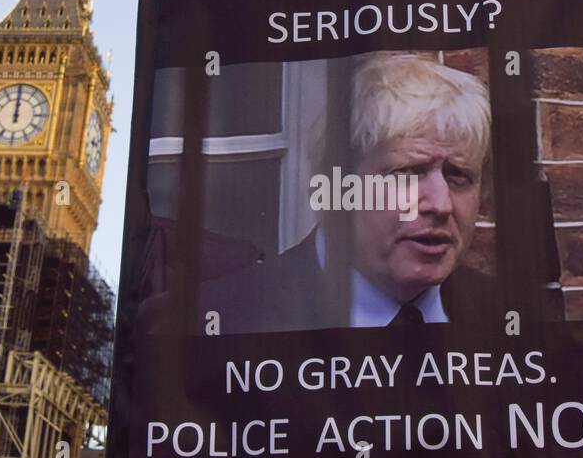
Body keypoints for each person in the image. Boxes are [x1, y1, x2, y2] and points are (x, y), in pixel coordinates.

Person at [198, 52, 500, 334]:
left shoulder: (514, 317)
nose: (441, 204)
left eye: (458, 176)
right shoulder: (216, 320)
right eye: (407, 173)